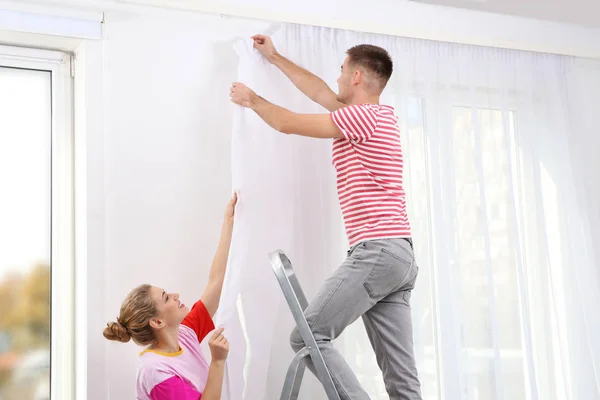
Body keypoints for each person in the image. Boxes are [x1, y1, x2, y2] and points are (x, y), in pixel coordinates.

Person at [229, 36, 422, 400]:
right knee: (401, 378)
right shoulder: (377, 117)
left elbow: (287, 123)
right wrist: (275, 58)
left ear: (356, 76)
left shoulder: (361, 117)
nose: (336, 78)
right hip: (399, 256)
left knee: (306, 336)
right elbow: (318, 91)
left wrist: (251, 99)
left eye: (341, 71)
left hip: (378, 250)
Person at [103, 194, 238, 400]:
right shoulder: (155, 372)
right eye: (166, 297)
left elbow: (216, 282)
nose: (176, 295)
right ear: (157, 321)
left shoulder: (185, 335)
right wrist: (218, 361)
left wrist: (229, 222)